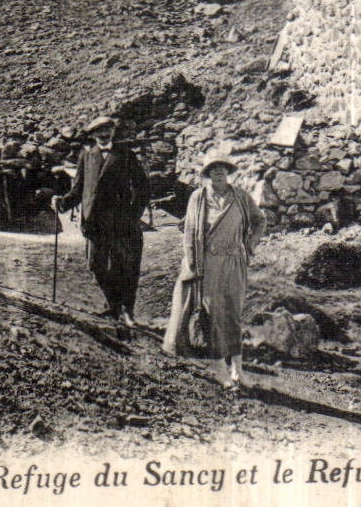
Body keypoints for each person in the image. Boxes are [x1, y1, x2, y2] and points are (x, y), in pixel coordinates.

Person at [162, 153, 266, 391]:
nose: (219, 172)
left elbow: (259, 220)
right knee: (213, 316)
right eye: (214, 168)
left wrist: (249, 246)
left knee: (234, 315)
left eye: (223, 168)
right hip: (208, 263)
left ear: (228, 172)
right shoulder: (198, 198)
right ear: (207, 173)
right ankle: (220, 368)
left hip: (234, 262)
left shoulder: (240, 196)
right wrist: (194, 265)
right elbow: (190, 233)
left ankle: (238, 370)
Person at [54, 117, 149, 327]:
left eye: (107, 130)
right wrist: (62, 203)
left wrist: (133, 215)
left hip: (121, 223)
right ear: (93, 134)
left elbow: (142, 187)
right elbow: (79, 189)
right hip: (95, 222)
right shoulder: (87, 156)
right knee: (96, 265)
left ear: (113, 131)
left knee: (124, 267)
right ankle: (113, 305)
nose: (104, 134)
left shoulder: (125, 154)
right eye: (99, 131)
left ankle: (126, 311)